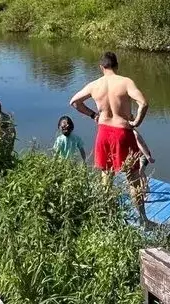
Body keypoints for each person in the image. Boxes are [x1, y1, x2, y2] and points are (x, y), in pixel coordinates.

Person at [69, 51, 150, 219]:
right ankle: (144, 220)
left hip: (103, 132)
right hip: (123, 132)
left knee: (106, 177)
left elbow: (74, 102)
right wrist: (136, 122)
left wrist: (93, 115)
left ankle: (105, 217)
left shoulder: (94, 85)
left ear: (101, 67)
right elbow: (143, 103)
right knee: (134, 179)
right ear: (117, 66)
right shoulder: (125, 82)